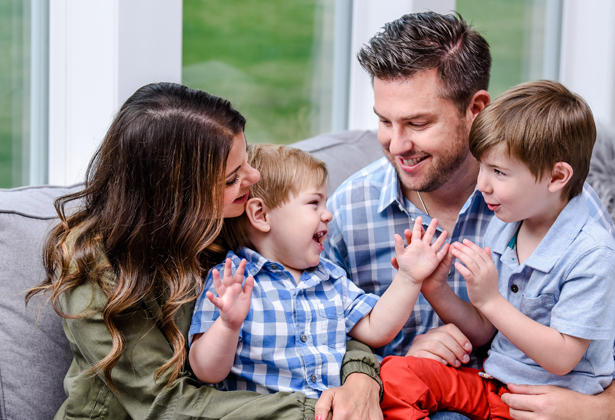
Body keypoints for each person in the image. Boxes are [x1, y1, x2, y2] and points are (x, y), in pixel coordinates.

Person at [324, 11, 615, 420]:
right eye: (384, 121)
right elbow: (313, 337)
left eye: (417, 123)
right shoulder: (351, 209)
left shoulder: (555, 207)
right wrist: (382, 364)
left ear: (476, 108)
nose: (396, 144)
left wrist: (596, 410)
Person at [25, 82, 382, 419]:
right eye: (232, 177)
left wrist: (359, 378)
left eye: (246, 161)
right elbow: (165, 406)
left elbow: (321, 306)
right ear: (177, 197)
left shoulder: (232, 218)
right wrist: (312, 411)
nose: (254, 178)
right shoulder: (99, 269)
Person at [379, 80, 615, 420]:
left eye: (498, 172)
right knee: (396, 375)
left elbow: (562, 357)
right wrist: (436, 288)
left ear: (556, 177)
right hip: (492, 387)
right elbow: (484, 332)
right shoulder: (508, 224)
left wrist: (491, 299)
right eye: (482, 167)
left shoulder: (592, 253)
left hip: (545, 406)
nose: (482, 185)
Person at [189, 144, 450, 399]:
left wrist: (408, 277)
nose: (328, 215)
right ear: (261, 215)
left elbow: (376, 328)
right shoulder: (229, 283)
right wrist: (228, 325)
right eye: (314, 203)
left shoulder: (331, 278)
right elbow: (206, 372)